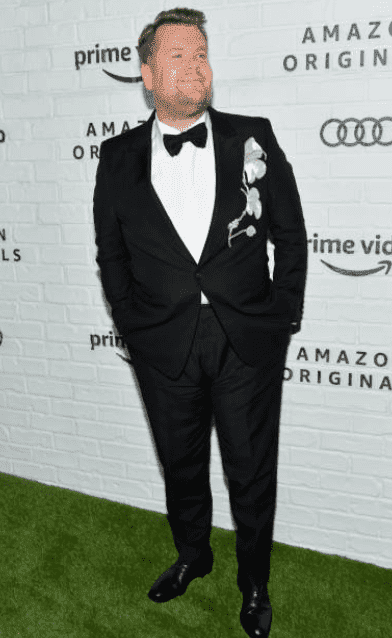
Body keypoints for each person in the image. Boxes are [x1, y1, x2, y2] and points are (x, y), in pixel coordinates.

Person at [93, 7, 307, 637]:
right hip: (163, 342)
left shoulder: (254, 136)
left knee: (250, 468)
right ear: (147, 73)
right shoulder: (116, 157)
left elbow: (291, 238)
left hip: (246, 340)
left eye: (200, 53)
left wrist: (281, 318)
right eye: (177, 55)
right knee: (180, 461)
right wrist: (133, 324)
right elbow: (111, 254)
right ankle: (193, 553)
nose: (193, 66)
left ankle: (255, 582)